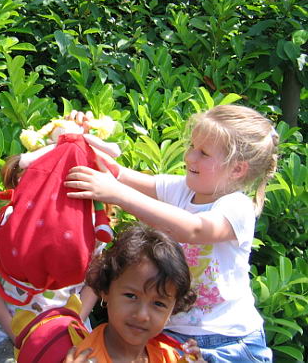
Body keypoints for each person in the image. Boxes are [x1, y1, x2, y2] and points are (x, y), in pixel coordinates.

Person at [65, 105, 277, 362]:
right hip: (168, 334)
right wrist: (79, 135)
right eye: (192, 146)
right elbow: (116, 173)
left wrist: (117, 194)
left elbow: (194, 229)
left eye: (203, 153)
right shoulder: (181, 189)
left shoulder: (237, 206)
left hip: (227, 342)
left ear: (236, 169)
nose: (189, 157)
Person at [0, 154, 101, 363]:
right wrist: (18, 336)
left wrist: (72, 325)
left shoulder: (90, 228)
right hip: (12, 338)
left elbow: (94, 284)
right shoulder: (3, 222)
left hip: (71, 333)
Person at [71, 223, 202, 363]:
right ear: (106, 290)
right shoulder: (86, 358)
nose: (141, 315)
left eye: (159, 303)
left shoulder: (167, 356)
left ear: (173, 309)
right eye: (131, 296)